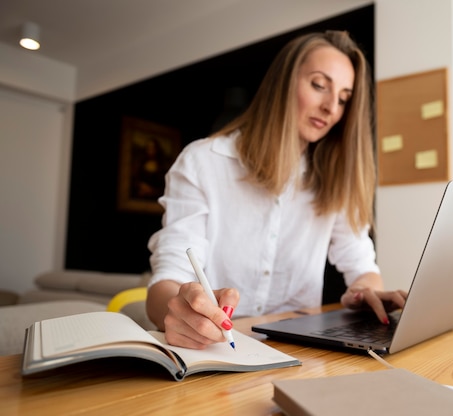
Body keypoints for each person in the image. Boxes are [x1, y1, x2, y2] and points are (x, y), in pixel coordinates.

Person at [146, 30, 407, 350]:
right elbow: (166, 282)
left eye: (343, 98)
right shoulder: (203, 161)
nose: (331, 108)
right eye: (319, 85)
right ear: (283, 83)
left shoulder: (333, 176)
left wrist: (365, 291)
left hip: (299, 350)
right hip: (217, 350)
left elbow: (362, 266)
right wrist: (179, 312)